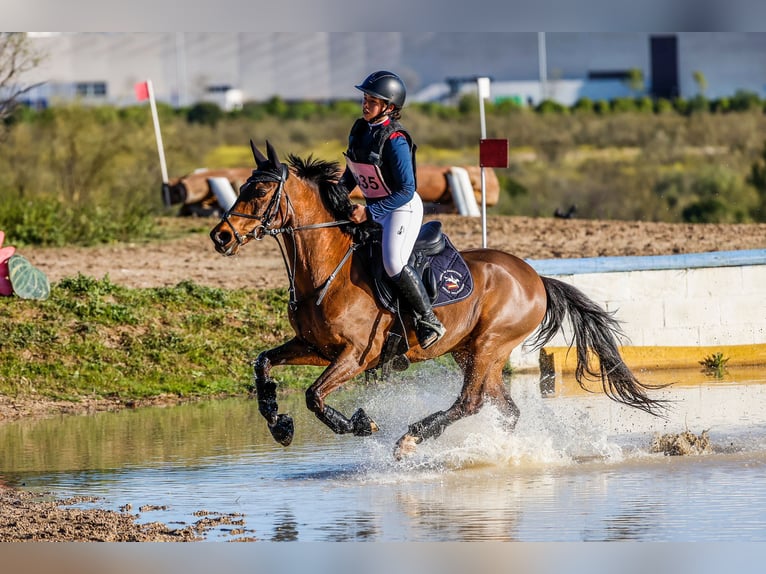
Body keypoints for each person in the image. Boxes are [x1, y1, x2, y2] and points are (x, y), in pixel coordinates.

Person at [336, 70, 445, 349]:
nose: (365, 104)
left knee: (393, 263)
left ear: (390, 107)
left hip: (401, 208)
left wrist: (370, 213)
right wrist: (334, 195)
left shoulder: (395, 140)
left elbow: (407, 190)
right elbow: (353, 175)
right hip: (374, 206)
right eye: (365, 98)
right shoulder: (359, 130)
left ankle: (427, 319)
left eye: (373, 100)